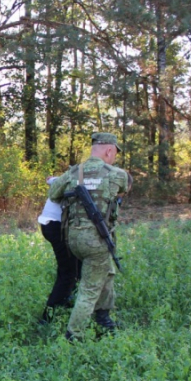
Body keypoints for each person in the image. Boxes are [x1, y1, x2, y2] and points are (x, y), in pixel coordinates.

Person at [48, 132, 130, 341]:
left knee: (106, 271)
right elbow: (127, 185)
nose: (114, 157)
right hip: (96, 240)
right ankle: (74, 335)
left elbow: (53, 194)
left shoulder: (74, 172)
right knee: (89, 289)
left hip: (73, 238)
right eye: (114, 153)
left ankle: (103, 317)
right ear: (109, 150)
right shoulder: (115, 173)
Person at [38, 175, 81, 324]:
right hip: (57, 226)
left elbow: (51, 179)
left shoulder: (72, 176)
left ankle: (68, 302)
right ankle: (47, 317)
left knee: (78, 265)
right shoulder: (85, 180)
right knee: (68, 272)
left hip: (51, 224)